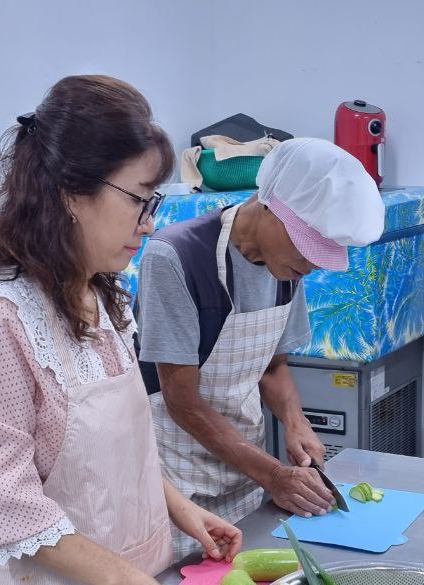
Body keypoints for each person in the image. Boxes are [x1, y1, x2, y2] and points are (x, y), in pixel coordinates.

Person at [0, 76, 241, 585]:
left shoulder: (102, 298)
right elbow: (3, 502)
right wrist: (126, 584)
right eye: (138, 200)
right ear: (69, 193)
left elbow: (111, 457)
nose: (150, 224)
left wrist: (181, 508)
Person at [136, 138, 384, 548]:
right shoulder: (175, 257)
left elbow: (273, 366)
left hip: (247, 474)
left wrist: (294, 421)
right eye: (307, 249)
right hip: (179, 483)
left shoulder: (286, 267)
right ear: (270, 208)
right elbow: (182, 400)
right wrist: (273, 474)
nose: (311, 265)